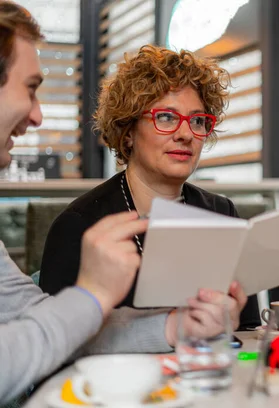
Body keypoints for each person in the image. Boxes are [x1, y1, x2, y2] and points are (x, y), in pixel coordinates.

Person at [39, 44, 261, 353]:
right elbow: (49, 348)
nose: (186, 134)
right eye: (167, 117)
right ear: (128, 131)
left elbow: (245, 328)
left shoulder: (222, 212)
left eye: (197, 121)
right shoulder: (80, 225)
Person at [0, 1, 148, 403]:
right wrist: (92, 294)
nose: (38, 116)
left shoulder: (218, 207)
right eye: (30, 89)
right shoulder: (78, 219)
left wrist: (174, 327)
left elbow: (42, 322)